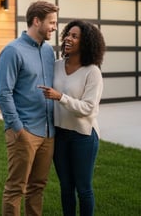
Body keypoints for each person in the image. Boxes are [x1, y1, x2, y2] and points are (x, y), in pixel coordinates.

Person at [0, 0, 59, 216]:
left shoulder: (49, 52)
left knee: (37, 188)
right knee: (16, 188)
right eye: (51, 22)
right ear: (36, 21)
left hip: (48, 132)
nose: (54, 27)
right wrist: (18, 129)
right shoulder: (12, 51)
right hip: (25, 131)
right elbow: (3, 93)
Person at [38, 20, 106, 216]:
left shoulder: (92, 72)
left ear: (86, 43)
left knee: (83, 188)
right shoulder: (57, 66)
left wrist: (61, 97)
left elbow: (89, 108)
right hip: (59, 134)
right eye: (68, 34)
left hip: (83, 136)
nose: (68, 38)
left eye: (75, 36)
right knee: (66, 187)